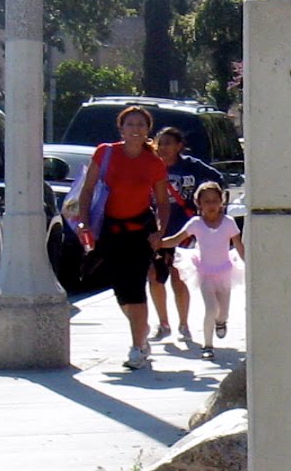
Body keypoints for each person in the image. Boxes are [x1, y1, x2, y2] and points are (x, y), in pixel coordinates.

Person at [77, 106, 171, 371]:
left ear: (147, 130)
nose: (136, 129)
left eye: (141, 124)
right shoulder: (105, 153)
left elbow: (163, 203)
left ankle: (137, 347)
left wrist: (159, 232)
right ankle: (141, 330)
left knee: (135, 288)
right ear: (121, 129)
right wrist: (84, 222)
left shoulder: (154, 162)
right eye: (130, 124)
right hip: (109, 230)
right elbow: (87, 190)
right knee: (121, 292)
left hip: (139, 232)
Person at [148, 126, 223, 344]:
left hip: (184, 231)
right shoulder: (151, 166)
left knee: (178, 277)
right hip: (156, 230)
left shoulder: (191, 166)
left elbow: (216, 180)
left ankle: (183, 324)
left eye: (168, 143)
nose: (163, 148)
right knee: (154, 276)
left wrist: (206, 205)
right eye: (160, 143)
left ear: (179, 146)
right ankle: (163, 324)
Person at [153, 180, 244, 360]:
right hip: (204, 272)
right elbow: (176, 239)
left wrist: (248, 262)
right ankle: (207, 345)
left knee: (223, 311)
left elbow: (239, 246)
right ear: (199, 204)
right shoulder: (196, 223)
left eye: (214, 201)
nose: (211, 205)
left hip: (225, 271)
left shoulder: (229, 223)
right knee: (210, 308)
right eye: (206, 201)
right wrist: (160, 243)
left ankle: (221, 322)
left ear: (221, 202)